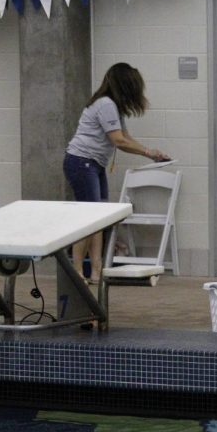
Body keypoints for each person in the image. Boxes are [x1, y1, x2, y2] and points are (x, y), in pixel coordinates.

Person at [63, 63, 169, 284]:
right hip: (82, 162)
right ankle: (77, 272)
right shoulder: (105, 104)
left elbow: (126, 137)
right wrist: (148, 152)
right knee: (87, 220)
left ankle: (96, 271)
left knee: (99, 220)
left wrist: (151, 155)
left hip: (93, 164)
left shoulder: (113, 107)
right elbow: (118, 141)